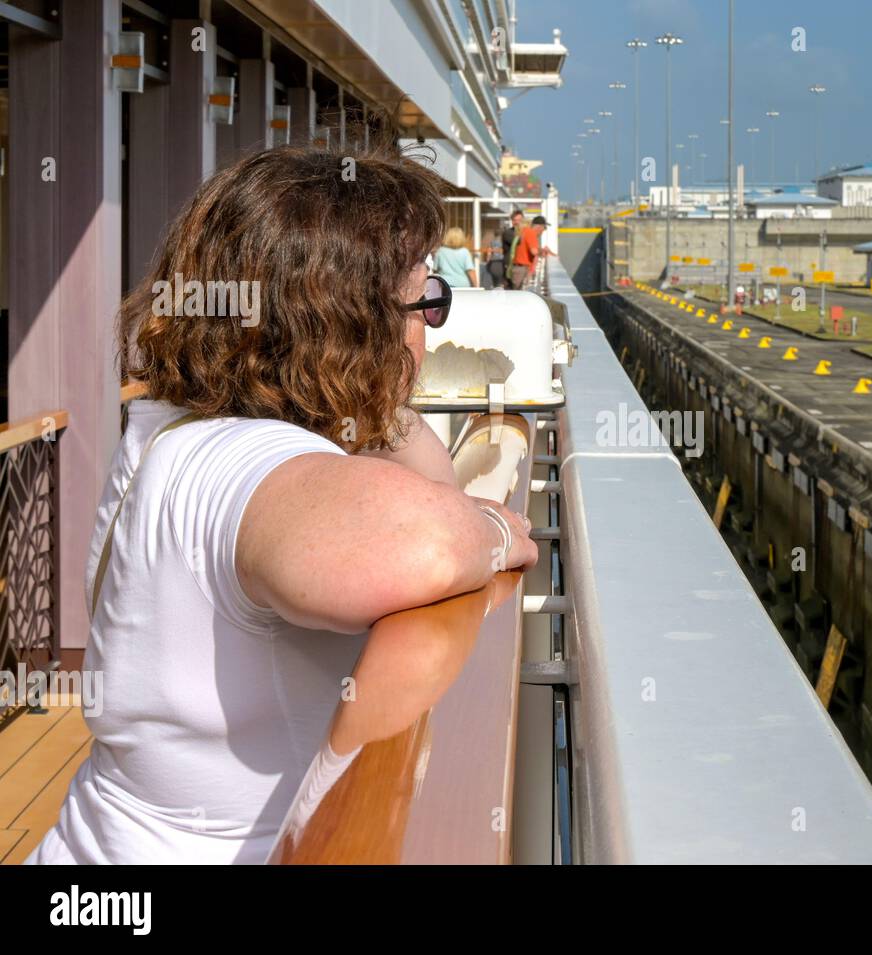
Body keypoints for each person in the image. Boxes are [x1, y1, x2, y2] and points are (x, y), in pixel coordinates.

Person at [25, 143, 538, 865]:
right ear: (351, 320)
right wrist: (494, 527)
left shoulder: (177, 425)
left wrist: (377, 390)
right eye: (424, 303)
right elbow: (424, 541)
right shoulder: (238, 462)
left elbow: (425, 474)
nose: (432, 327)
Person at [510, 215, 555, 290]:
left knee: (518, 294)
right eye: (544, 228)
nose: (543, 231)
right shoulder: (531, 233)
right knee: (518, 295)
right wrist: (544, 251)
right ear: (539, 227)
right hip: (521, 269)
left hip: (519, 268)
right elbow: (534, 252)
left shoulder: (526, 231)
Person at [501, 209, 525, 288]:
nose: (517, 222)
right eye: (515, 220)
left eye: (519, 220)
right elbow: (518, 242)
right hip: (511, 266)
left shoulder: (525, 232)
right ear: (511, 221)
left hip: (522, 266)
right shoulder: (508, 233)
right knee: (512, 290)